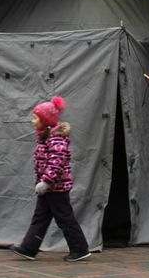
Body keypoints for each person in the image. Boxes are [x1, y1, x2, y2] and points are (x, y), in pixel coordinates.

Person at [11, 96, 91, 262]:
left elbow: (56, 163)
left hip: (57, 188)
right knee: (40, 217)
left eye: (35, 118)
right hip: (48, 188)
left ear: (45, 121)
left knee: (64, 218)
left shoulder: (56, 139)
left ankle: (80, 248)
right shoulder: (45, 137)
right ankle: (29, 247)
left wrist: (46, 181)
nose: (32, 121)